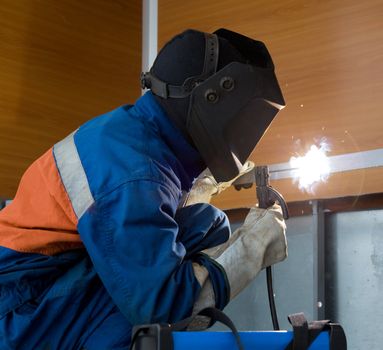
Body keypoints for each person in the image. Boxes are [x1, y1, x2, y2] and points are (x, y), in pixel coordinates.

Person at [0, 28, 287, 349]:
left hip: (39, 290)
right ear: (213, 99)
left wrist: (195, 183)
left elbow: (134, 214)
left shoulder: (136, 135)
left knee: (207, 224)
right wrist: (251, 247)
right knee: (159, 301)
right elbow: (161, 308)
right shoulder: (134, 172)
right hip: (18, 316)